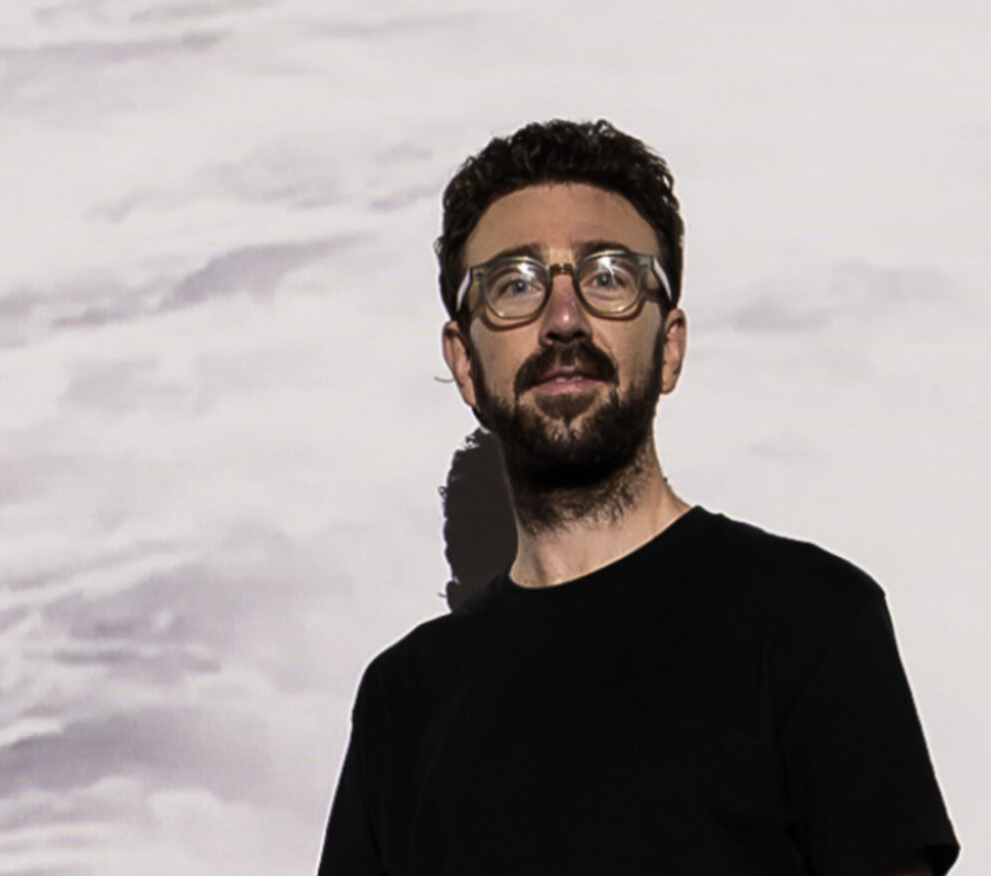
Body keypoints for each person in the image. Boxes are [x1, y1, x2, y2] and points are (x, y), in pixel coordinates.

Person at [317, 119, 958, 876]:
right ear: (464, 363)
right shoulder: (404, 702)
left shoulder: (810, 624)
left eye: (609, 277)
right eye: (516, 283)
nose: (563, 319)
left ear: (670, 348)